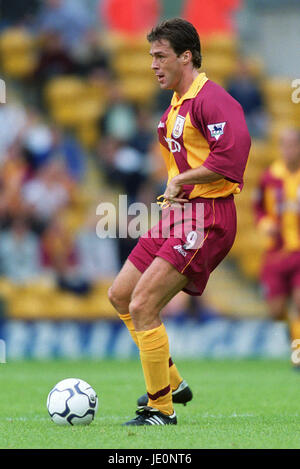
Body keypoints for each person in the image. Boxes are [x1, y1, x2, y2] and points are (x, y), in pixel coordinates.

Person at [108, 18, 251, 426]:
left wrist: (183, 180)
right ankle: (173, 383)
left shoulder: (213, 100)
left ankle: (160, 409)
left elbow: (232, 158)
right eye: (151, 56)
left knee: (143, 304)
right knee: (120, 295)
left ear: (186, 56)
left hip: (208, 216)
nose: (153, 65)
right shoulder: (175, 104)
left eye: (160, 56)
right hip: (182, 213)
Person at [254, 128, 300, 363]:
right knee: (276, 310)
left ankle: (298, 353)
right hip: (275, 254)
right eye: (284, 145)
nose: (288, 150)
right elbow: (258, 208)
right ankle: (292, 334)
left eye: (293, 145)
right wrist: (265, 225)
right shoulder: (270, 176)